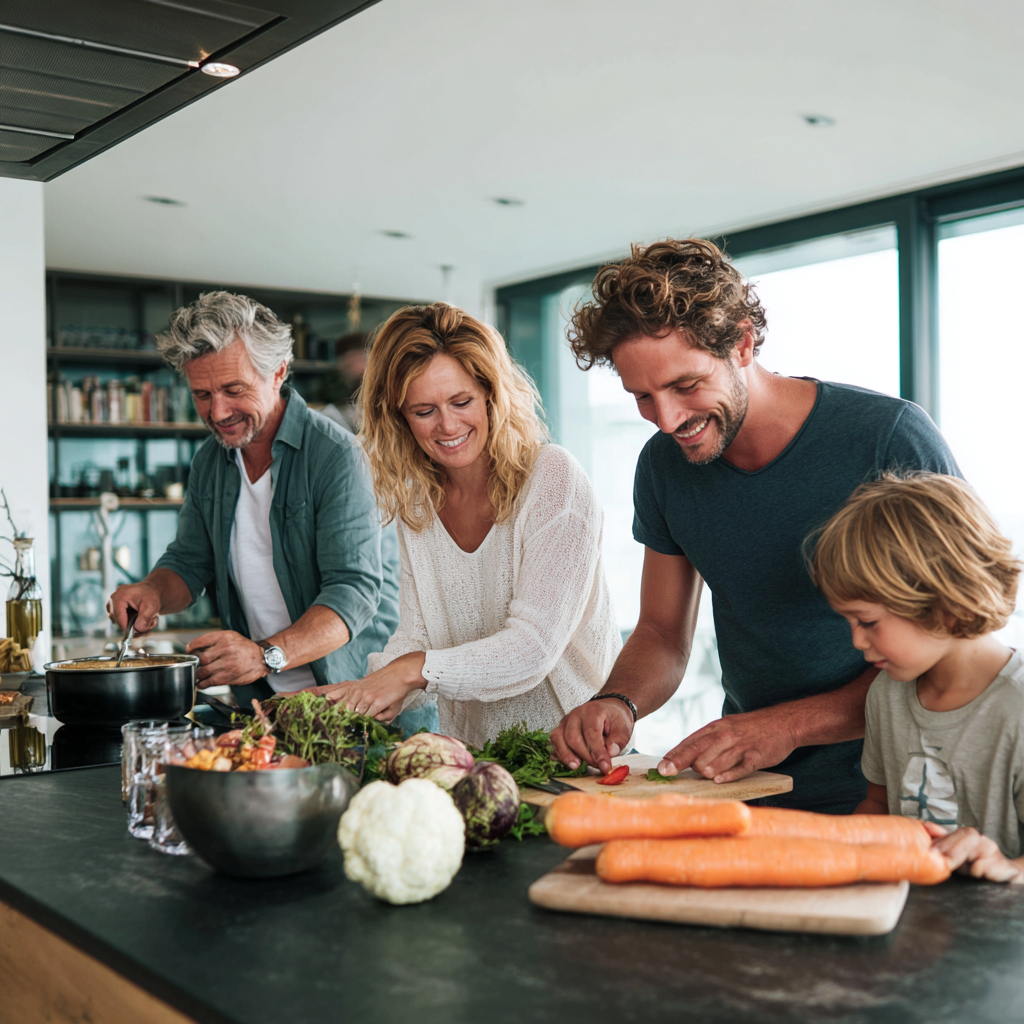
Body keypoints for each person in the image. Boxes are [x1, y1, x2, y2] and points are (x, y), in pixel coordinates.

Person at [550, 238, 960, 812]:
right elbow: (662, 633)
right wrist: (619, 701)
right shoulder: (664, 467)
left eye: (685, 386)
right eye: (642, 397)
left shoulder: (887, 439)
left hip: (899, 787)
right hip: (747, 782)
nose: (667, 420)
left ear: (742, 343)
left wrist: (787, 726)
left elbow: (951, 640)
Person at [309, 302, 622, 747]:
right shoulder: (417, 501)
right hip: (476, 757)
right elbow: (417, 636)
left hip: (580, 755)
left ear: (492, 394)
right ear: (398, 417)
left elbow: (531, 649)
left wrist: (411, 672)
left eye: (462, 401)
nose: (447, 425)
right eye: (423, 411)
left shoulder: (554, 479)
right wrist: (360, 694)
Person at [108, 291, 400, 704]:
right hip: (265, 707)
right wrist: (152, 590)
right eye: (202, 395)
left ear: (278, 372)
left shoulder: (337, 456)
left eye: (233, 389)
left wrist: (265, 656)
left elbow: (353, 592)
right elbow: (190, 563)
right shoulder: (211, 461)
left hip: (354, 704)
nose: (219, 412)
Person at [812, 472, 1024, 880]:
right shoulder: (886, 694)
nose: (857, 641)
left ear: (946, 604)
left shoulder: (1015, 708)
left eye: (868, 622)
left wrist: (1007, 868)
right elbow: (878, 806)